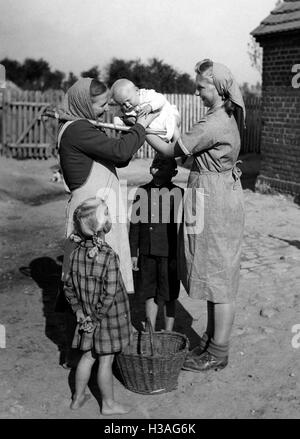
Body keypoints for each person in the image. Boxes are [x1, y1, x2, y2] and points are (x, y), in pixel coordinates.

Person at [144, 59, 245, 372]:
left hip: (214, 202)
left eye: (201, 87)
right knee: (217, 275)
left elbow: (171, 150)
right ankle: (212, 342)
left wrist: (142, 129)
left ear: (218, 87)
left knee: (221, 280)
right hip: (220, 195)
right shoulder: (225, 113)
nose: (197, 92)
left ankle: (219, 352)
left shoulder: (213, 123)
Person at [57, 77, 157, 367]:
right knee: (95, 284)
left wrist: (131, 131)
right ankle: (92, 352)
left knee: (88, 283)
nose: (102, 111)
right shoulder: (77, 130)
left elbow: (120, 158)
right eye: (99, 105)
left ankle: (86, 352)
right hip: (92, 214)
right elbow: (121, 152)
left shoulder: (81, 126)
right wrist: (141, 125)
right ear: (84, 104)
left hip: (98, 211)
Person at [64, 197, 132, 415]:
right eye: (107, 214)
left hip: (85, 316)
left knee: (87, 356)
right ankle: (108, 404)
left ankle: (77, 397)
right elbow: (110, 293)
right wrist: (95, 319)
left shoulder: (75, 254)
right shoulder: (109, 256)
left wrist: (79, 312)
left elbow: (68, 287)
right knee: (105, 361)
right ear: (103, 225)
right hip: (106, 319)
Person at [129, 154, 183, 331]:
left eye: (163, 166)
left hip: (170, 253)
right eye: (155, 165)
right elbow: (135, 224)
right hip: (147, 252)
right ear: (150, 169)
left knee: (169, 293)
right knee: (149, 290)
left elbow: (184, 229)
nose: (157, 168)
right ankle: (150, 328)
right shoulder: (141, 192)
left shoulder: (179, 194)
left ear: (174, 172)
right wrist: (133, 253)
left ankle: (169, 332)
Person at [111, 78, 181, 143]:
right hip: (156, 127)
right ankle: (168, 152)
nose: (127, 105)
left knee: (174, 128)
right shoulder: (124, 110)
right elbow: (117, 115)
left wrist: (150, 106)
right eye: (122, 104)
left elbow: (161, 98)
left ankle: (179, 147)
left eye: (128, 100)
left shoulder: (145, 95)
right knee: (162, 142)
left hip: (166, 115)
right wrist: (118, 125)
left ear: (137, 91)